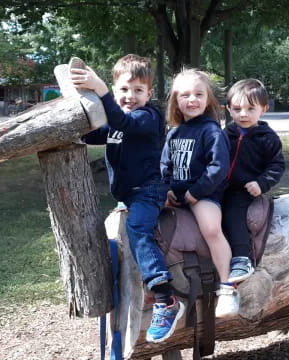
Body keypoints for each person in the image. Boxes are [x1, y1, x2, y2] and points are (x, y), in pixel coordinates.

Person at [70, 54, 184, 343]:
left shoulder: (147, 118)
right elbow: (97, 135)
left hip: (148, 190)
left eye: (138, 90)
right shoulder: (118, 122)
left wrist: (102, 91)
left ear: (150, 93)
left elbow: (120, 120)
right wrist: (73, 131)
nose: (130, 96)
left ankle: (165, 298)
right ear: (116, 88)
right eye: (123, 89)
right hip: (129, 194)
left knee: (138, 229)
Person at [160, 68, 239, 318]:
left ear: (208, 100)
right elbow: (165, 166)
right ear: (176, 101)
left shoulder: (211, 131)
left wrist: (196, 192)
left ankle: (227, 286)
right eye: (184, 95)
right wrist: (168, 188)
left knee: (211, 229)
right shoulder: (173, 133)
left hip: (204, 193)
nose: (191, 100)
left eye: (198, 94)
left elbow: (218, 168)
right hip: (178, 193)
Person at [222, 79, 285, 283]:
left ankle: (242, 258)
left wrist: (261, 183)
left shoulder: (267, 138)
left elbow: (276, 166)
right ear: (229, 109)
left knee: (233, 213)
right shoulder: (226, 134)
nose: (243, 114)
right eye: (237, 108)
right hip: (219, 185)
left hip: (244, 190)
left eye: (250, 109)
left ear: (263, 109)